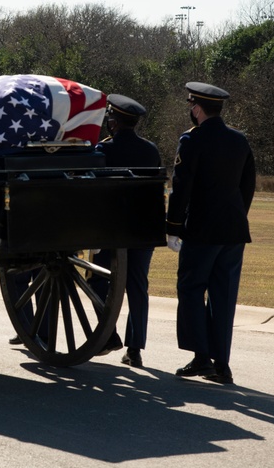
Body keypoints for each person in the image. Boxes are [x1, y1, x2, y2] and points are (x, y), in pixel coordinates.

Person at [167, 82, 256, 385]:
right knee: (223, 295)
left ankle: (201, 358)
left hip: (202, 230)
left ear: (197, 107)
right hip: (233, 229)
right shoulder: (239, 140)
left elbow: (181, 189)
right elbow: (247, 187)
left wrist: (173, 227)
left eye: (191, 104)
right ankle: (222, 364)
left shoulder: (192, 141)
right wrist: (235, 216)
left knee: (191, 289)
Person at [90, 94, 162, 368]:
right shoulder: (150, 149)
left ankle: (109, 334)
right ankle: (135, 349)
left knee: (98, 282)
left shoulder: (104, 150)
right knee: (137, 287)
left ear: (113, 122)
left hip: (112, 230)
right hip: (142, 230)